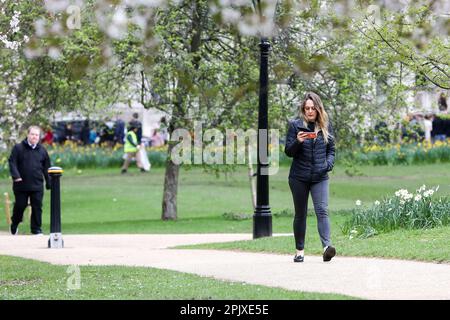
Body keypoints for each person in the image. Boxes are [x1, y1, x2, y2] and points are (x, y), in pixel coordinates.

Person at [284, 92, 336, 263]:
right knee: (301, 214)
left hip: (320, 176)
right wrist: (298, 141)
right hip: (299, 177)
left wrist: (327, 165)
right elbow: (288, 152)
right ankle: (300, 251)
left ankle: (327, 248)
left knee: (322, 210)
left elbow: (331, 150)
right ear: (303, 110)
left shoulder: (326, 126)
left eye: (313, 108)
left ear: (318, 109)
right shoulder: (295, 125)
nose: (310, 111)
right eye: (307, 108)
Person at [8, 126, 51, 235]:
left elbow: (47, 167)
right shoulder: (18, 148)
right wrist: (16, 176)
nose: (34, 137)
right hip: (21, 184)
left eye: (37, 135)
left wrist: (49, 182)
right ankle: (14, 224)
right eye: (32, 134)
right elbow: (12, 163)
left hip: (37, 185)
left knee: (37, 207)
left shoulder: (42, 150)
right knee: (20, 206)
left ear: (39, 137)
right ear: (28, 135)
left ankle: (36, 229)